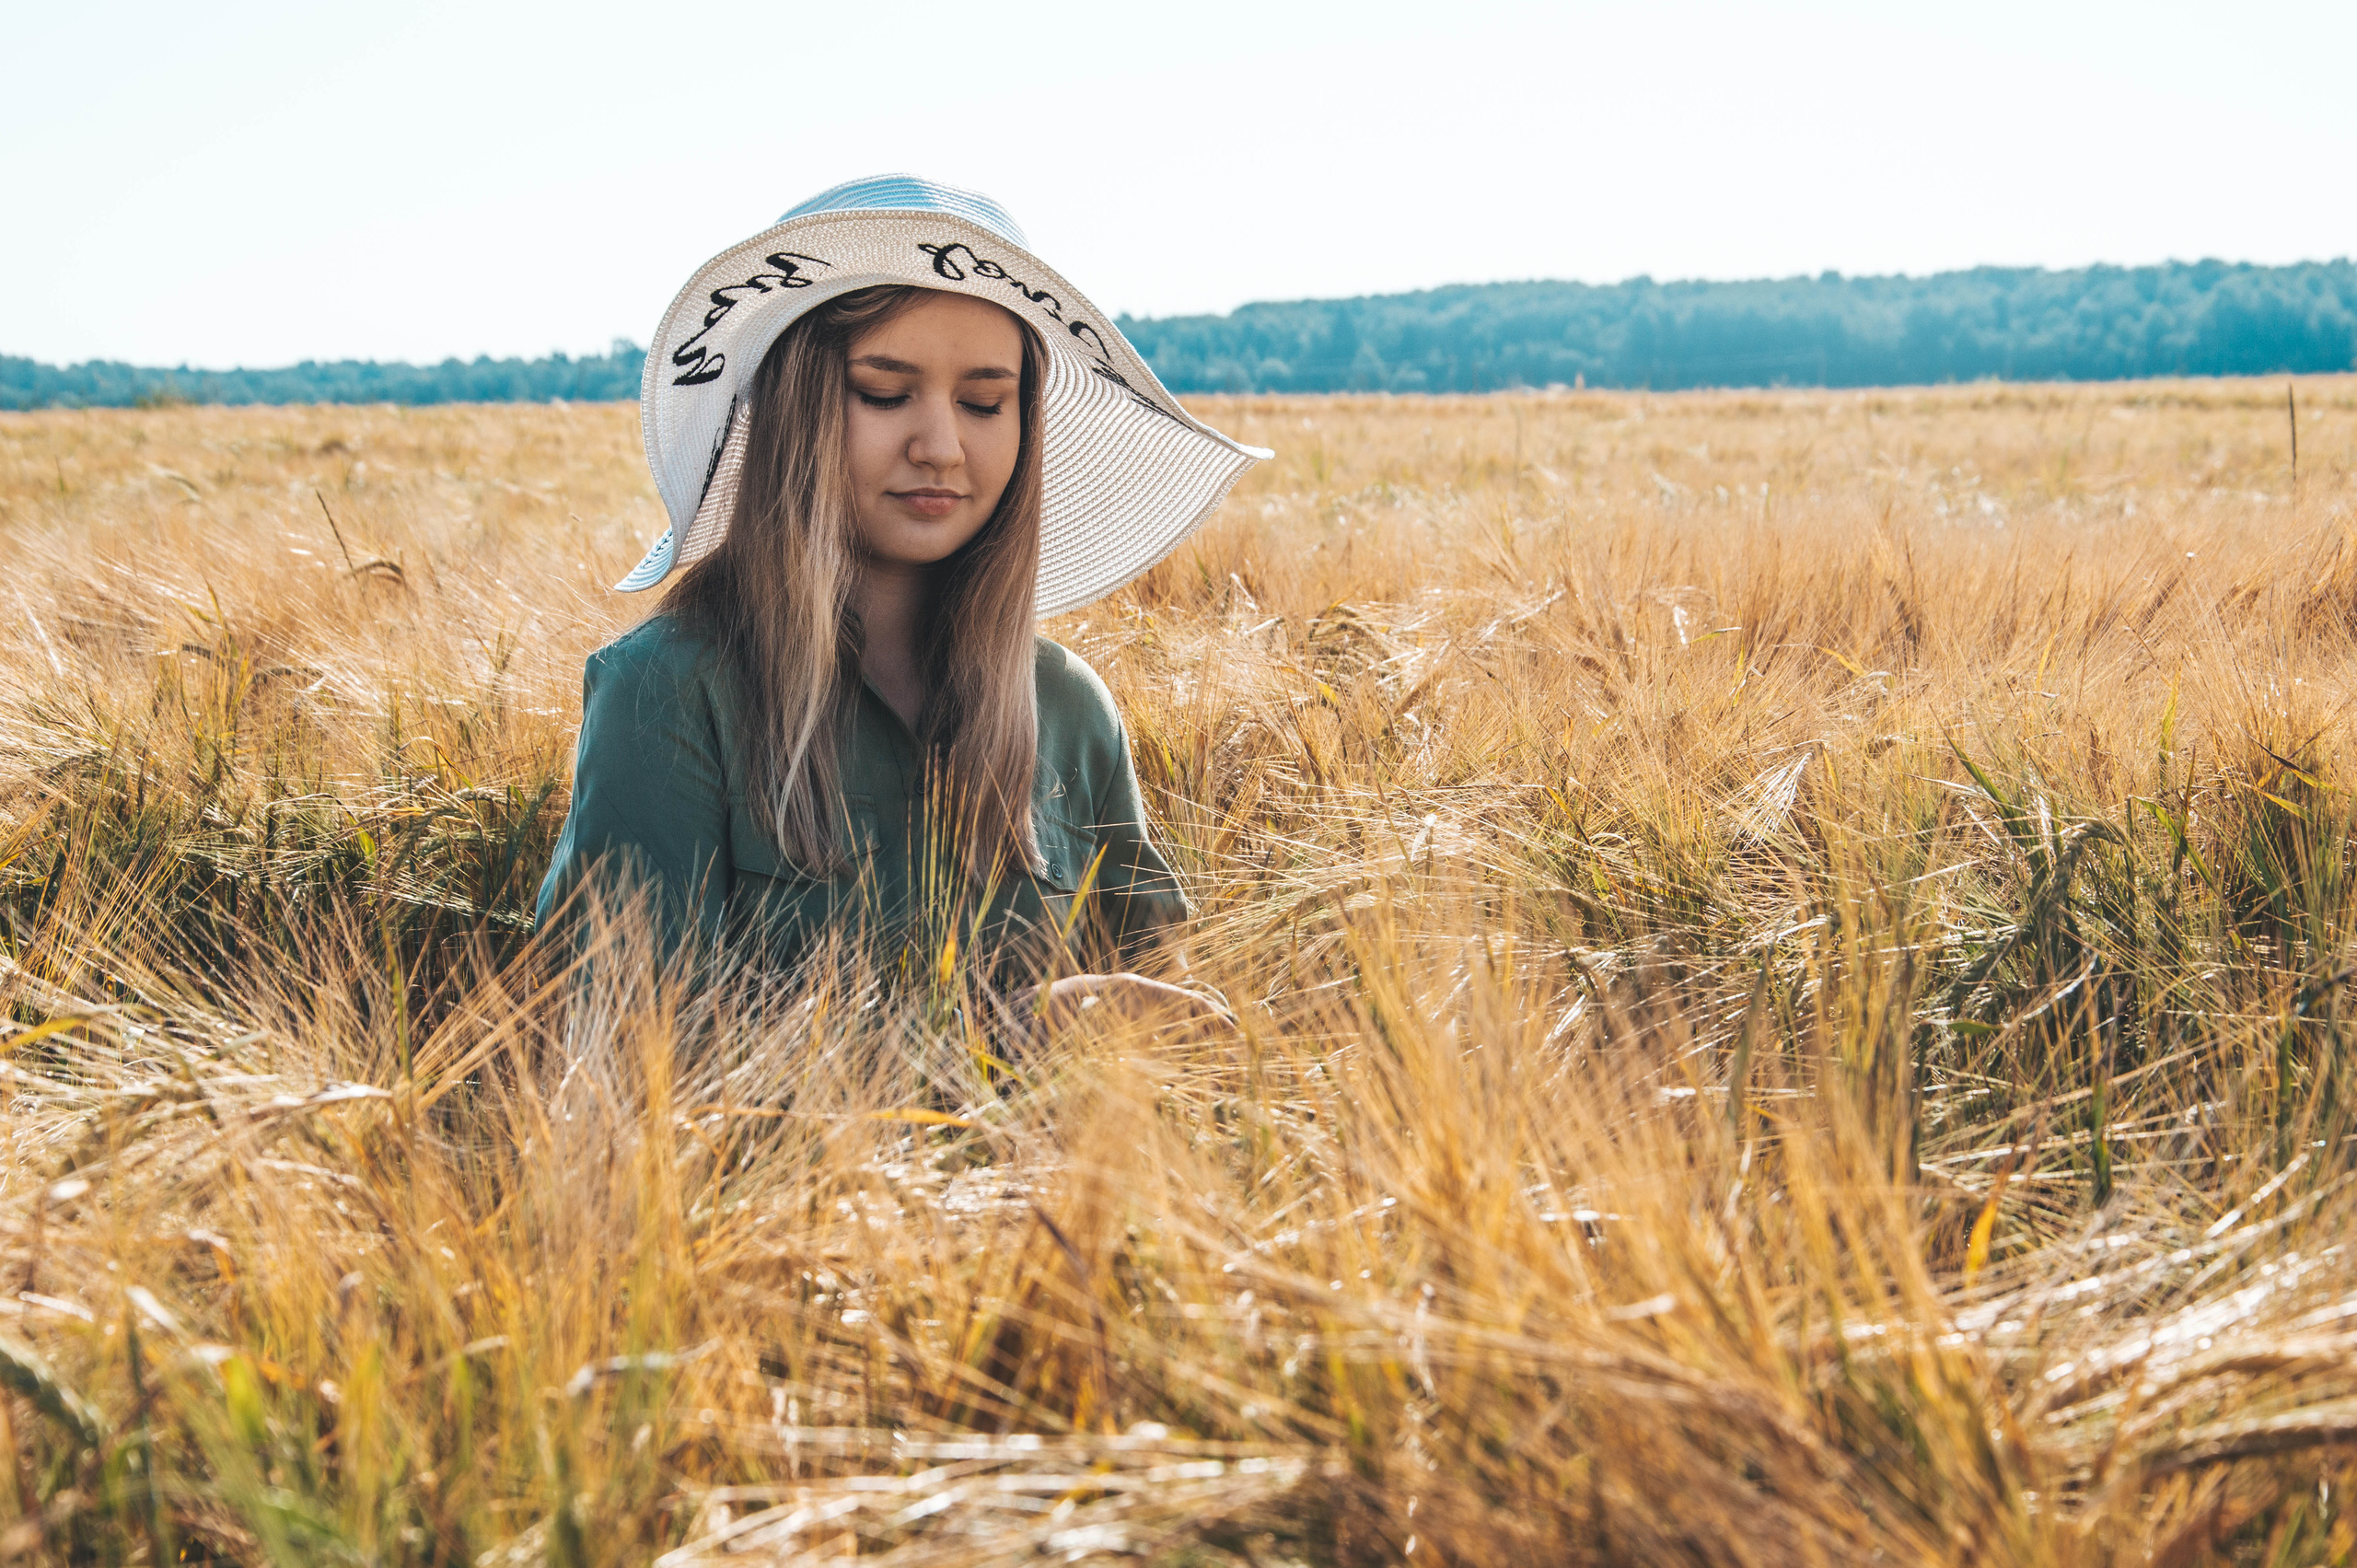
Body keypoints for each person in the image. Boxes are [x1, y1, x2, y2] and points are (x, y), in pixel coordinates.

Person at [533, 176, 1269, 1028]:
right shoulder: (668, 694)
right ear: (792, 408)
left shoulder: (1069, 707)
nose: (943, 446)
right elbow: (632, 1068)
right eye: (884, 393)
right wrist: (1005, 1042)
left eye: (986, 402)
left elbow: (1177, 1034)